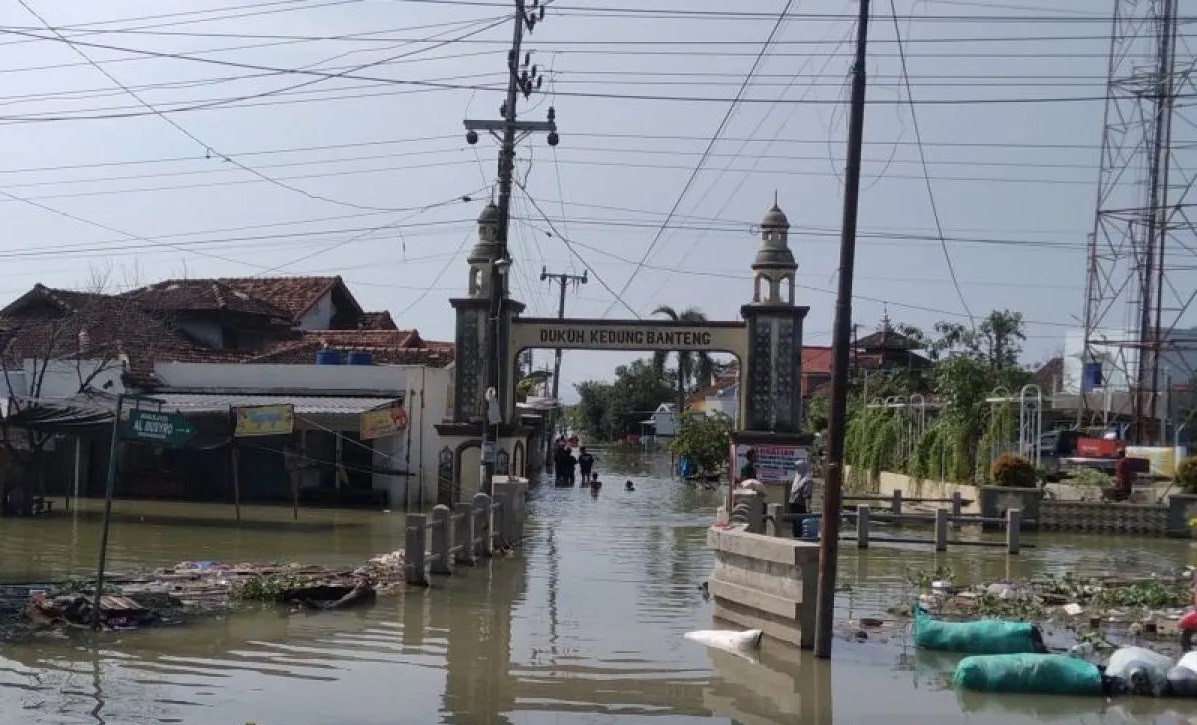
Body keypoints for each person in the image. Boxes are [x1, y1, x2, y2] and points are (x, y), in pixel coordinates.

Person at [788, 458, 814, 537]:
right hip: (793, 503)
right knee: (794, 523)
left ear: (802, 468)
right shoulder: (797, 476)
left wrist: (808, 508)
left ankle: (799, 538)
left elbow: (807, 495)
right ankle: (795, 537)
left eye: (798, 467)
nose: (796, 470)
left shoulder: (807, 480)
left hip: (800, 505)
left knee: (799, 523)